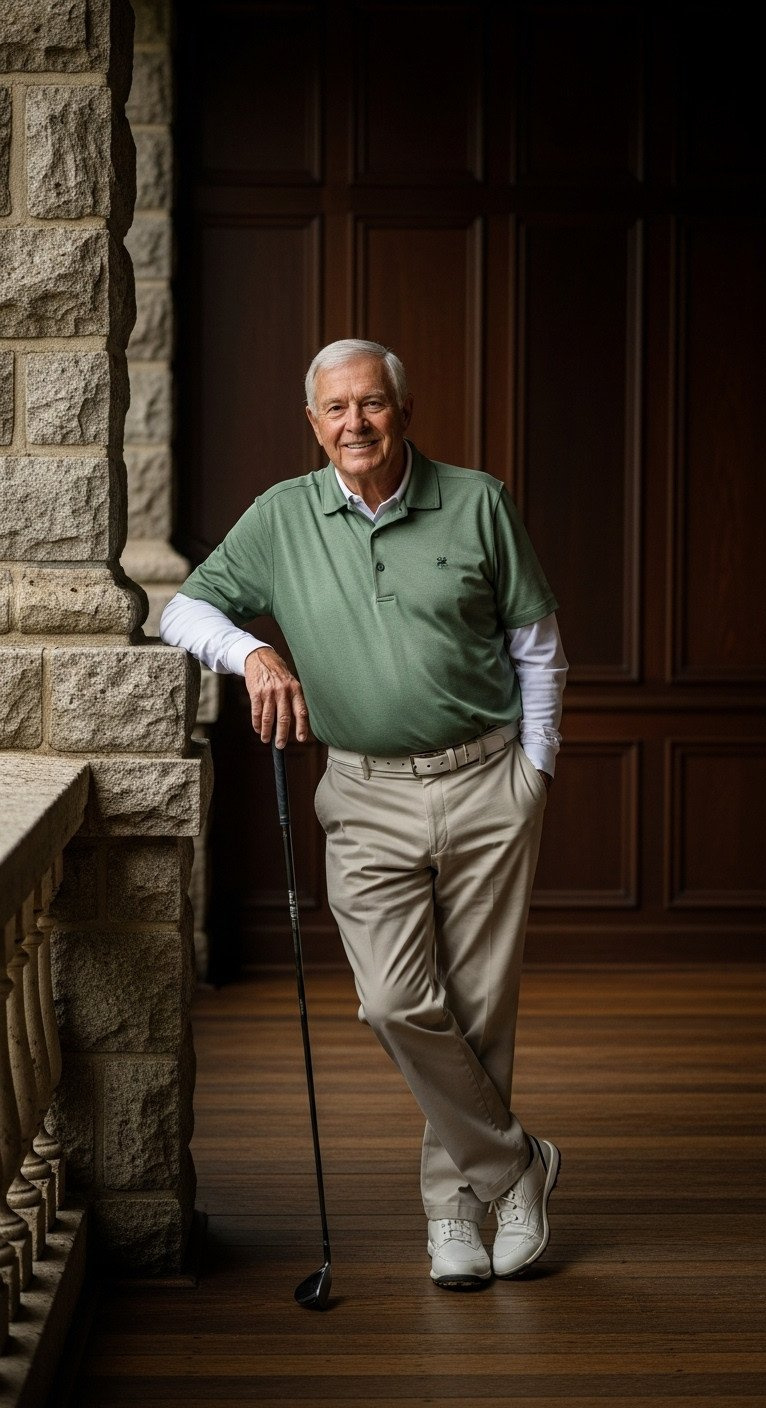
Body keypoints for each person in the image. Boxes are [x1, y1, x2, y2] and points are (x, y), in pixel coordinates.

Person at [160, 338, 568, 1289]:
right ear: (314, 424)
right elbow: (183, 609)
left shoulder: (478, 502)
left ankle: (452, 1213)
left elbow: (536, 644)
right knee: (394, 1001)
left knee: (477, 1006)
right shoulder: (281, 517)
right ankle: (516, 1165)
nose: (356, 423)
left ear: (404, 410)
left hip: (486, 782)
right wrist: (252, 655)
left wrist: (533, 772)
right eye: (336, 409)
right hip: (364, 790)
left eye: (372, 405)